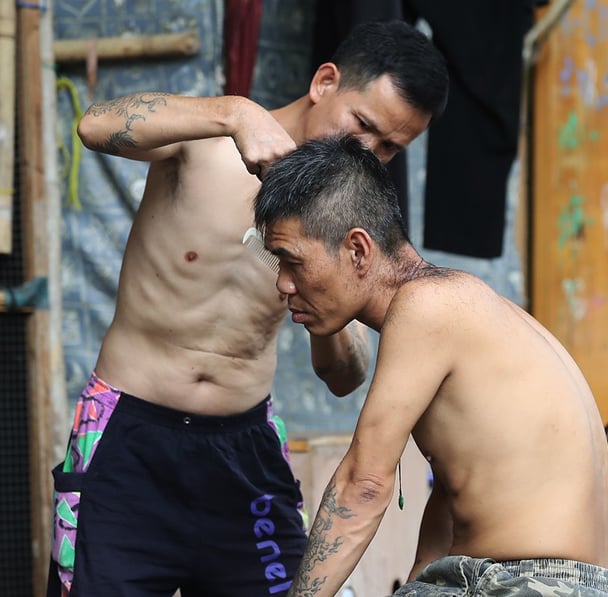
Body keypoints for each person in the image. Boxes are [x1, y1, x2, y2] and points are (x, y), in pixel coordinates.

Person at [48, 21, 448, 597]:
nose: (368, 152)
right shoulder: (207, 142)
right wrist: (233, 112)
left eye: (390, 148)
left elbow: (346, 377)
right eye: (364, 126)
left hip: (245, 452)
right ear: (325, 82)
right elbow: (93, 124)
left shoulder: (351, 222)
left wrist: (322, 299)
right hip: (131, 438)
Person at [252, 134, 608, 597]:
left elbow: (363, 485)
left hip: (530, 584)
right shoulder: (465, 304)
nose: (283, 284)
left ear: (357, 250)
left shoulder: (426, 307)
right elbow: (454, 491)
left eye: (292, 261)